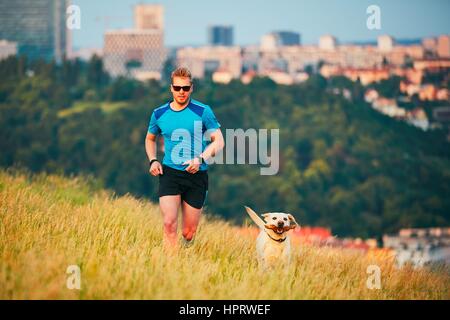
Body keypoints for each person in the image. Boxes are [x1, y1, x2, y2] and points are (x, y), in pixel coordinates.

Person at [145, 67, 225, 250]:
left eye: (185, 88)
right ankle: (169, 266)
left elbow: (219, 141)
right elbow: (150, 139)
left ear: (192, 88)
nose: (181, 92)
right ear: (171, 88)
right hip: (170, 173)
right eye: (178, 88)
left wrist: (200, 159)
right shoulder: (159, 113)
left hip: (197, 175)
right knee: (169, 223)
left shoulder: (203, 111)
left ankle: (186, 257)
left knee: (188, 233)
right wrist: (153, 159)